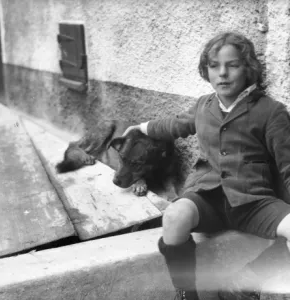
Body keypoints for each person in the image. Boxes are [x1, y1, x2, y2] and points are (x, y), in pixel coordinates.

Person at [123, 31, 290, 300]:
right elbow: (174, 124)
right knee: (174, 216)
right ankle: (188, 292)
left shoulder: (272, 111)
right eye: (214, 66)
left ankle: (248, 280)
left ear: (248, 69)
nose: (222, 73)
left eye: (232, 65)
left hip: (254, 200)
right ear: (206, 71)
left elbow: (288, 165)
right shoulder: (204, 105)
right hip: (208, 198)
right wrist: (141, 127)